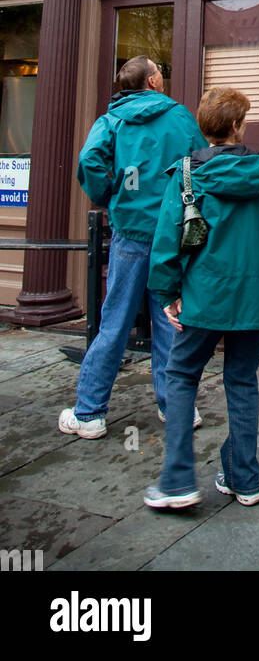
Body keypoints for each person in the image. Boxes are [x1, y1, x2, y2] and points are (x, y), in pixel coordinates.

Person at [144, 87, 259, 510]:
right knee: (242, 380)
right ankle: (244, 478)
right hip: (252, 296)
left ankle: (176, 480)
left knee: (182, 374)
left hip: (202, 296)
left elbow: (167, 239)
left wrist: (168, 293)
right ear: (236, 127)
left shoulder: (187, 174)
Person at [59, 56, 206, 440]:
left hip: (130, 231)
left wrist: (110, 196)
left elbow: (90, 162)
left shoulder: (112, 120)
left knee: (115, 322)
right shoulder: (179, 116)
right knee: (169, 320)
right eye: (160, 72)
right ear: (153, 80)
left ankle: (89, 412)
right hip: (170, 231)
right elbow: (201, 163)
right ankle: (176, 407)